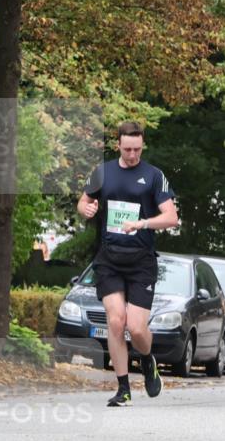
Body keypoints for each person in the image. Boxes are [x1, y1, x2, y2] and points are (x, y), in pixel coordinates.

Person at [76, 121, 179, 406]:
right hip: (108, 258)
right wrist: (86, 208)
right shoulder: (103, 172)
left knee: (136, 328)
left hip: (141, 262)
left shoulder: (154, 176)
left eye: (137, 149)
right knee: (115, 320)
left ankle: (147, 360)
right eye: (128, 148)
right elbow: (83, 202)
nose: (133, 154)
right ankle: (123, 389)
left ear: (142, 145)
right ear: (118, 145)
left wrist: (143, 223)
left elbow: (171, 217)